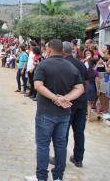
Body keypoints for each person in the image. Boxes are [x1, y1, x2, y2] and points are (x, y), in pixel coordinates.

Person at [30, 39, 84, 181]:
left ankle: (41, 177)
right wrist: (66, 98)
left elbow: (38, 85)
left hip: (45, 113)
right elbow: (80, 88)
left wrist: (56, 98)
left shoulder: (43, 65)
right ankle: (58, 177)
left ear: (49, 50)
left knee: (43, 146)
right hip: (64, 114)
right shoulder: (72, 67)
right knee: (60, 145)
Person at [57, 42, 89, 168]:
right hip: (81, 102)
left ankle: (60, 159)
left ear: (63, 52)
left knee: (63, 132)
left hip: (68, 102)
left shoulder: (63, 64)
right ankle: (78, 159)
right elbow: (86, 83)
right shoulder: (81, 64)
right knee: (79, 132)